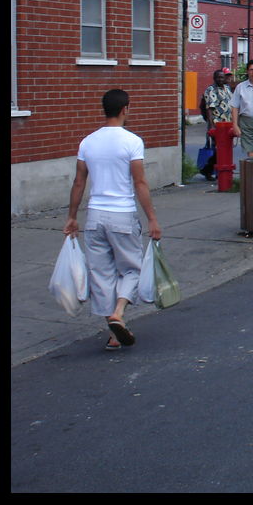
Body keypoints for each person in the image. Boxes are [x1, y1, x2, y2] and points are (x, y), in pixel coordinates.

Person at [63, 89, 162, 351]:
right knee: (131, 269)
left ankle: (114, 334)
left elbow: (79, 182)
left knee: (102, 274)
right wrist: (152, 219)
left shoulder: (87, 142)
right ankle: (119, 311)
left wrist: (72, 217)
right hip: (122, 215)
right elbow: (139, 182)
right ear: (125, 109)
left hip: (95, 216)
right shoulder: (132, 141)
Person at [200, 69, 233, 179]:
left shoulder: (227, 88)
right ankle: (210, 169)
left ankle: (211, 169)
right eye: (218, 77)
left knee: (225, 149)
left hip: (227, 123)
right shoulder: (210, 90)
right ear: (214, 78)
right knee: (219, 149)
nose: (220, 79)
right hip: (217, 124)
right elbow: (209, 108)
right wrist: (211, 125)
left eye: (222, 77)